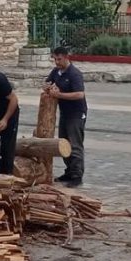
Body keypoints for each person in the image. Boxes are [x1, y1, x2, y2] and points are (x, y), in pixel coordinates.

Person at [44, 46, 87, 187]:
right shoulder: (57, 71)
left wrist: (59, 95)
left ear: (66, 57)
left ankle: (77, 175)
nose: (56, 62)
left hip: (76, 113)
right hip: (64, 113)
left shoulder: (74, 74)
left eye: (59, 59)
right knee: (64, 144)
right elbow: (47, 82)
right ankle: (69, 171)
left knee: (75, 144)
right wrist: (47, 88)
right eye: (55, 59)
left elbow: (80, 94)